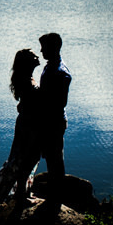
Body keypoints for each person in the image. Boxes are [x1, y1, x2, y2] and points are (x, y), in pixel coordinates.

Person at [0, 49, 43, 203]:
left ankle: (24, 193)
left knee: (28, 158)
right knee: (26, 159)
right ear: (27, 62)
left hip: (27, 124)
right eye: (34, 55)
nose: (38, 56)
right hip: (29, 126)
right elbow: (28, 106)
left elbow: (24, 105)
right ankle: (21, 195)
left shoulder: (27, 79)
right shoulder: (27, 82)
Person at [37, 32, 72, 200]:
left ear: (54, 48)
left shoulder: (60, 73)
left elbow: (60, 103)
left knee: (55, 157)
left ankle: (57, 193)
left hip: (54, 122)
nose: (41, 51)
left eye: (44, 48)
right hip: (49, 121)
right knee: (52, 156)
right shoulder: (50, 66)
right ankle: (55, 188)